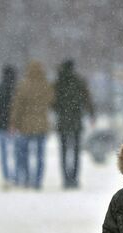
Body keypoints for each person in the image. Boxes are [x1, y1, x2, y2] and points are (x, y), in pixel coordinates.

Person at [10, 60, 53, 189]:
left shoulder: (24, 85)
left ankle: (27, 178)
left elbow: (17, 106)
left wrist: (13, 122)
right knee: (40, 155)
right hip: (42, 125)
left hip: (25, 125)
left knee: (25, 154)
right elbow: (52, 100)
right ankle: (38, 181)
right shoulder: (46, 85)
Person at [53, 59, 95, 189]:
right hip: (76, 120)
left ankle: (66, 178)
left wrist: (59, 109)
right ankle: (75, 178)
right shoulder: (79, 81)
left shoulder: (58, 82)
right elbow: (87, 98)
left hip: (63, 121)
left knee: (64, 151)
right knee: (76, 150)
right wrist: (92, 114)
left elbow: (52, 102)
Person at [0, 65, 17, 186]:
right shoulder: (16, 89)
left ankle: (6, 175)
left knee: (4, 154)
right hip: (15, 126)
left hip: (0, 126)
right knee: (16, 152)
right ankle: (16, 175)